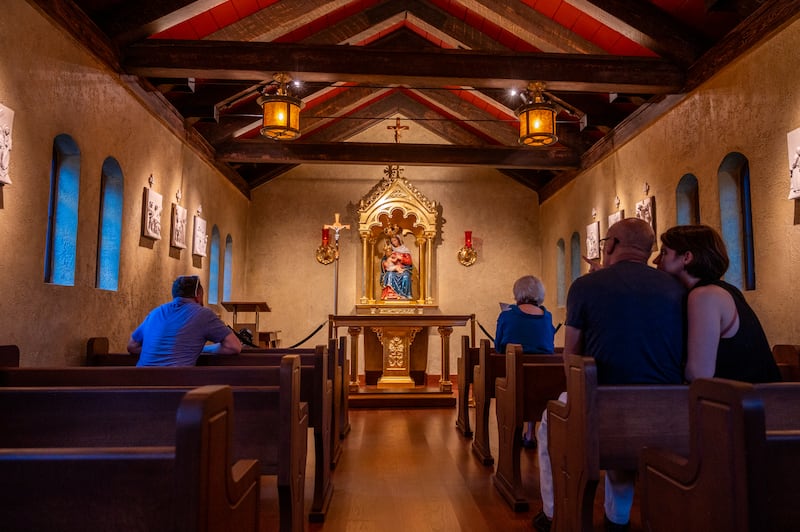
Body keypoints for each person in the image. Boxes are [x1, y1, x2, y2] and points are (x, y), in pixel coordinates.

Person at [533, 218, 685, 532]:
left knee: (551, 422)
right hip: (667, 405)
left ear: (612, 244)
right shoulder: (676, 287)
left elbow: (571, 354)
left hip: (602, 399)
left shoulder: (586, 286)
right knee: (629, 433)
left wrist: (576, 395)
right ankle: (617, 519)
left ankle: (551, 513)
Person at [654, 224, 780, 383]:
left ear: (687, 257)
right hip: (756, 399)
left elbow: (698, 375)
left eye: (664, 252)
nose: (656, 260)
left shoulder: (705, 295)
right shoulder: (725, 290)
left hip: (745, 402)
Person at [495, 275, 556, 448]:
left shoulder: (507, 315)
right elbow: (549, 344)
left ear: (518, 293)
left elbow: (499, 347)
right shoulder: (547, 317)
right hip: (543, 381)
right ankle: (530, 433)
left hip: (514, 379)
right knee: (534, 379)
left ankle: (510, 434)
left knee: (519, 376)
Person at [128, 275, 242, 366]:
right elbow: (234, 346)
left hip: (139, 383)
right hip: (174, 386)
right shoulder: (204, 314)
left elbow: (132, 346)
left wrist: (155, 351)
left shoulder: (155, 312)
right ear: (198, 295)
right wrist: (205, 349)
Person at [380, 233, 413, 300]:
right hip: (393, 270)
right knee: (389, 275)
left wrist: (400, 258)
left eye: (395, 240)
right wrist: (385, 263)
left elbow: (409, 262)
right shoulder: (391, 250)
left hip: (404, 269)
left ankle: (405, 295)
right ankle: (390, 294)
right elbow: (385, 261)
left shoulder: (405, 250)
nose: (393, 242)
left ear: (399, 240)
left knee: (406, 276)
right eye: (392, 241)